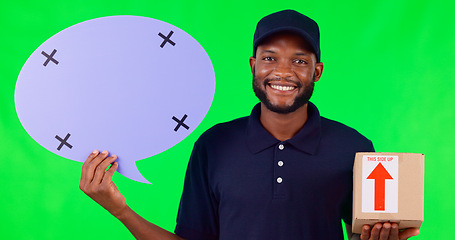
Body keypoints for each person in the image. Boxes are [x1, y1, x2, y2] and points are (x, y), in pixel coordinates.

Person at [79, 10, 420, 240]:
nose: (283, 72)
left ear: (316, 72)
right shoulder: (213, 145)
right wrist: (120, 210)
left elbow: (366, 231)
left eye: (300, 61)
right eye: (270, 58)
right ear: (253, 65)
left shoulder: (352, 146)